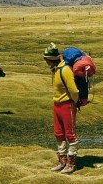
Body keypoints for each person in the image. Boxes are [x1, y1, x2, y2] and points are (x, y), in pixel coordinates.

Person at [43, 42, 79, 174]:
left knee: (70, 134)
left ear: (50, 59)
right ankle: (62, 161)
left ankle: (71, 163)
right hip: (57, 105)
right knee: (58, 133)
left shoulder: (65, 70)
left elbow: (73, 90)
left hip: (67, 105)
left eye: (46, 59)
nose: (45, 61)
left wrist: (74, 103)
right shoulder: (56, 69)